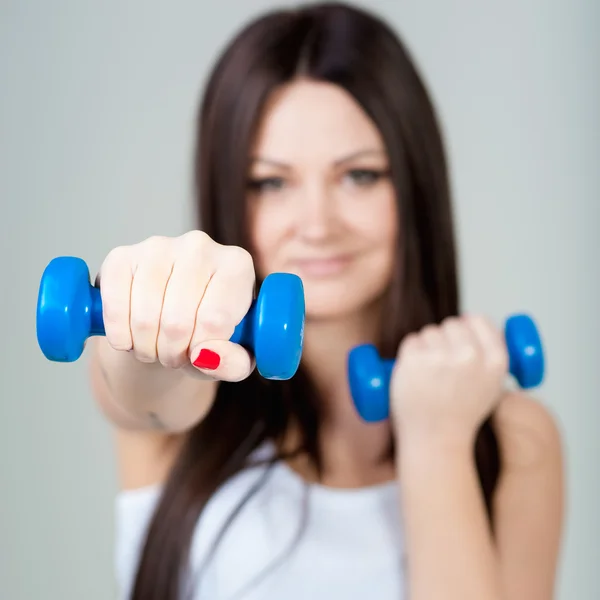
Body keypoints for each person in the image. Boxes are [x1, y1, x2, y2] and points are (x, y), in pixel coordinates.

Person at [88, 3, 564, 599]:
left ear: (414, 185)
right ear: (230, 195)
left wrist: (438, 443)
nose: (317, 224)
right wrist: (151, 319)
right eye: (271, 183)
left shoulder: (516, 440)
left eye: (359, 176)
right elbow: (143, 385)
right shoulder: (172, 383)